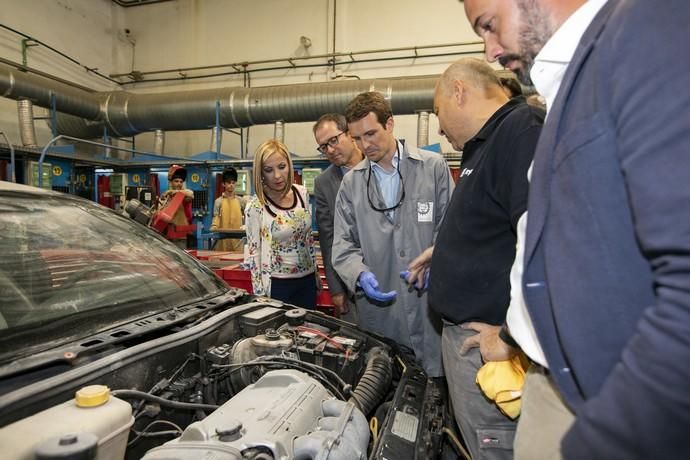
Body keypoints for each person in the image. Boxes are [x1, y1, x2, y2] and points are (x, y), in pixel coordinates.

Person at [461, 0, 690, 458]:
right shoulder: (571, 85)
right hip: (566, 383)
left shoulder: (647, 30)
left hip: (623, 408)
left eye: (489, 25)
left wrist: (603, 440)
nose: (489, 50)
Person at [404, 58, 544, 459]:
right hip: (469, 341)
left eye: (437, 112)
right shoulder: (484, 144)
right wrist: (444, 251)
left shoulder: (520, 131)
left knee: (495, 447)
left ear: (459, 92)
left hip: (488, 348)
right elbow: (496, 226)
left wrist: (509, 337)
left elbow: (543, 239)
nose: (440, 127)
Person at [331, 91, 453, 377]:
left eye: (371, 134)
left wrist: (440, 262)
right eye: (357, 138)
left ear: (390, 124)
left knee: (435, 384)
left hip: (428, 304)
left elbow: (451, 228)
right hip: (382, 310)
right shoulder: (351, 184)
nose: (365, 144)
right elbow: (343, 244)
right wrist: (359, 274)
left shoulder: (432, 167)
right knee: (387, 381)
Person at [244, 139, 318, 309]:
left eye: (282, 167)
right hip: (277, 285)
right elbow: (254, 254)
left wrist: (316, 274)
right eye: (269, 170)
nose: (277, 176)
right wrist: (260, 295)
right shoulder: (256, 206)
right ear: (260, 173)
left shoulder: (302, 193)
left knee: (307, 330)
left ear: (290, 166)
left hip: (307, 281)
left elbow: (308, 239)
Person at [312, 113, 364, 321]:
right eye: (324, 147)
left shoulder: (380, 165)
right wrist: (335, 289)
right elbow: (328, 238)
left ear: (350, 133)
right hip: (350, 284)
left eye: (333, 140)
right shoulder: (324, 183)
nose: (330, 150)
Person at [159, 165, 194, 249]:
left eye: (181, 181)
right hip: (166, 235)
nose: (179, 183)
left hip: (180, 236)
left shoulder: (184, 195)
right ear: (171, 182)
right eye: (176, 181)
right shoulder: (165, 197)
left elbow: (191, 194)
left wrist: (173, 191)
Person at [211, 167, 245, 252]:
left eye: (233, 183)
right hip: (223, 240)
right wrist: (214, 227)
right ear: (223, 184)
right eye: (229, 183)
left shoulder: (241, 201)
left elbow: (246, 217)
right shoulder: (218, 202)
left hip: (238, 241)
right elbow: (216, 217)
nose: (231, 185)